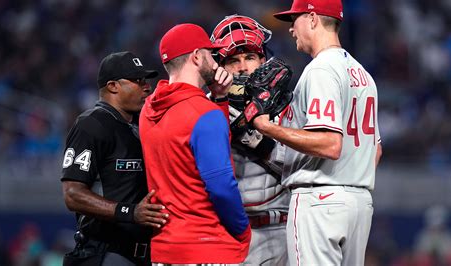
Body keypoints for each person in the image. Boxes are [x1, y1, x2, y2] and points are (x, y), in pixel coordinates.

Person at [246, 0, 383, 265]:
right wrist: (350, 178)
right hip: (359, 203)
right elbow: (375, 150)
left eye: (294, 20)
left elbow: (330, 144)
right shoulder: (363, 74)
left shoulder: (321, 69)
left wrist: (268, 127)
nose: (291, 29)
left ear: (312, 18)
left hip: (319, 199)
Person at [139, 23, 251, 265]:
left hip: (165, 248)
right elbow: (221, 186)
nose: (216, 62)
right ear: (197, 57)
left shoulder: (147, 110)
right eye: (211, 55)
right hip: (207, 245)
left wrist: (219, 99)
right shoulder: (203, 114)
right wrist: (242, 229)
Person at [61, 51, 169, 266]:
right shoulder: (91, 124)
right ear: (113, 86)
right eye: (137, 81)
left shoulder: (142, 124)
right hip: (104, 252)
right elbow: (72, 194)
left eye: (146, 80)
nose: (147, 86)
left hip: (147, 254)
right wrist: (130, 212)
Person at [211, 15, 289, 266]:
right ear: (218, 66)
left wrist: (252, 136)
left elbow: (305, 168)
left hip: (283, 230)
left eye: (250, 57)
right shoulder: (204, 108)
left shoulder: (290, 103)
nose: (243, 67)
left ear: (263, 60)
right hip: (230, 233)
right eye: (233, 60)